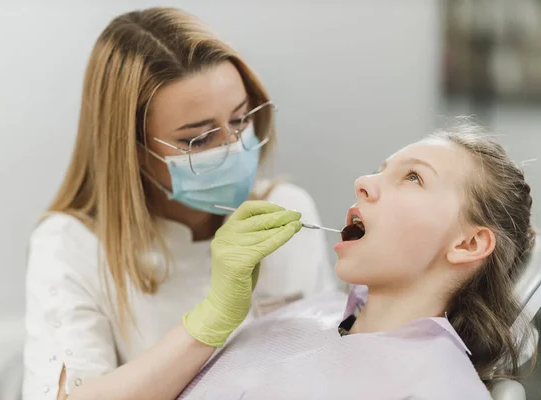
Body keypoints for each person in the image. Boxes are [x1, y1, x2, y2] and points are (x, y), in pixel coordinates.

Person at [22, 7, 337, 400]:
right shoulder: (70, 244)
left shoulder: (289, 210)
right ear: (132, 150)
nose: (233, 149)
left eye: (240, 120)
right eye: (198, 140)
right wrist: (210, 321)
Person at [176, 122, 537, 399]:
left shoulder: (438, 387)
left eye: (413, 177)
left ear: (469, 243)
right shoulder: (297, 316)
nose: (363, 181)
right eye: (380, 169)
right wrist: (212, 317)